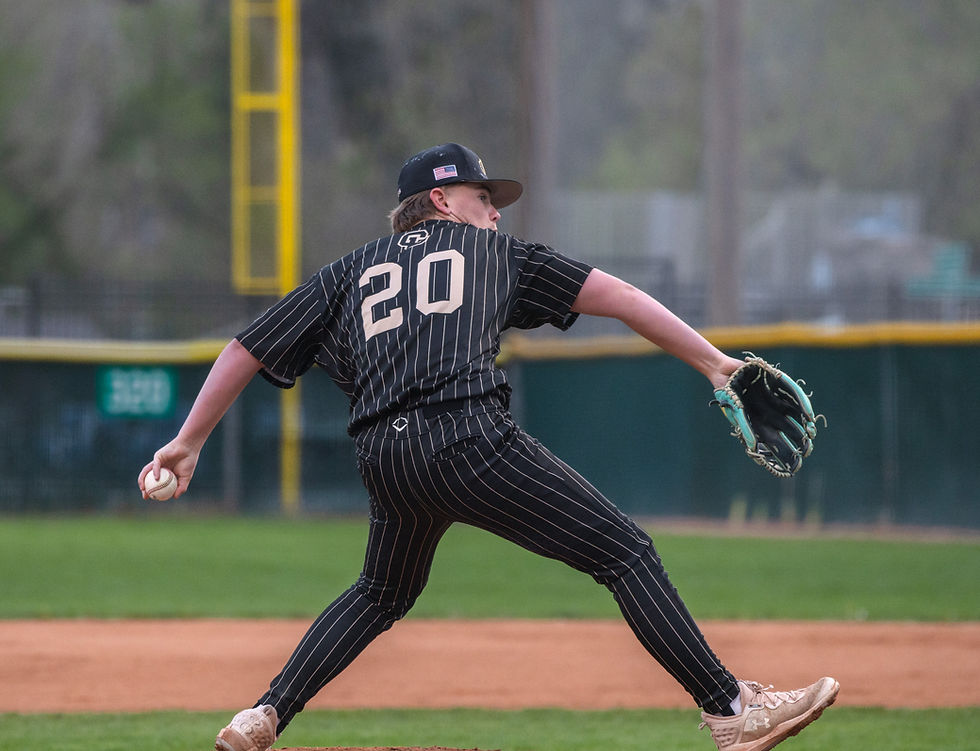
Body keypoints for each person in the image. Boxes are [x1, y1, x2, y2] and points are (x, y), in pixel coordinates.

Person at [139, 143, 838, 751]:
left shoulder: (345, 273)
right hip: (467, 436)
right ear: (440, 199)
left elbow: (245, 346)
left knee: (382, 591)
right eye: (483, 196)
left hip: (386, 457)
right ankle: (733, 709)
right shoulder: (493, 253)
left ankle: (264, 713)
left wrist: (187, 440)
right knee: (625, 551)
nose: (495, 212)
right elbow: (621, 296)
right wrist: (718, 365)